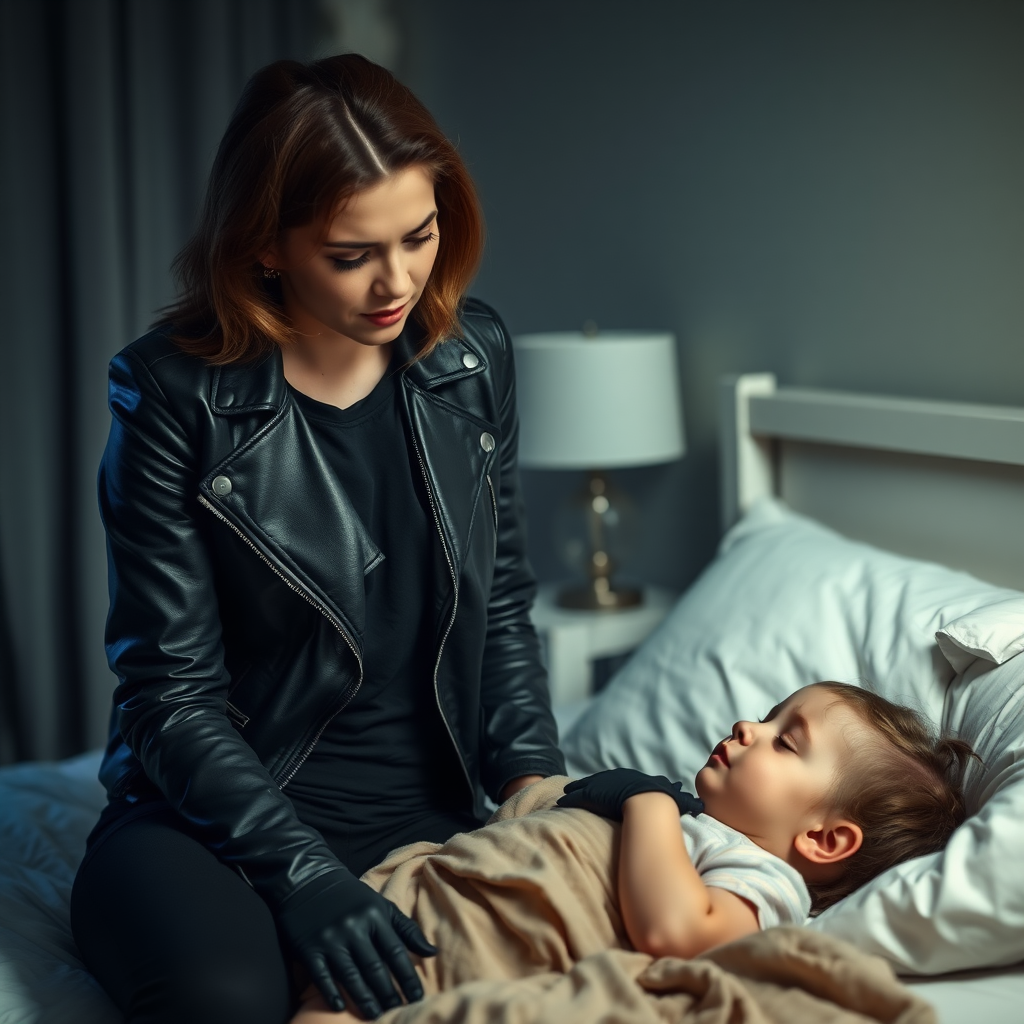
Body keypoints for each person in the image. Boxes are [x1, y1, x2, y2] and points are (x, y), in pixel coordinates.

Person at [70, 54, 565, 1024]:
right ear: (265, 248)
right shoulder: (172, 392)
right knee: (222, 1001)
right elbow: (169, 694)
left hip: (427, 810)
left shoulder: (472, 356)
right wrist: (300, 873)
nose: (398, 280)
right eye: (351, 254)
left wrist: (532, 776)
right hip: (217, 822)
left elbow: (499, 598)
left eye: (418, 236)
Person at [291, 681, 974, 1023]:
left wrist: (645, 802)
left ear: (823, 840)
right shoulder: (703, 824)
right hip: (433, 902)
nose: (748, 727)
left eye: (783, 740)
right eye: (768, 717)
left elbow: (679, 934)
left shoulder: (767, 880)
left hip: (491, 938)